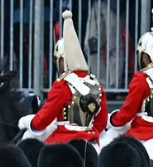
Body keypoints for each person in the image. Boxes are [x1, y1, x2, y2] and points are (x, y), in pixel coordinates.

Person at [102, 8, 153, 163]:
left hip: (142, 136)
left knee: (107, 149)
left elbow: (127, 113)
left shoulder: (141, 79)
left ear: (146, 57)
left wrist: (112, 121)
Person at [18, 11, 108, 146]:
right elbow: (101, 122)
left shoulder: (63, 85)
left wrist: (28, 122)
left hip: (63, 144)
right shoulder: (95, 84)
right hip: (91, 144)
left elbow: (42, 122)